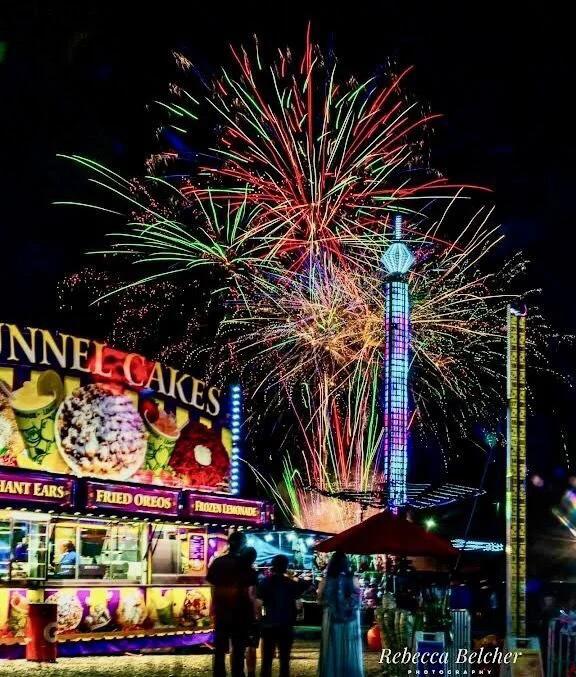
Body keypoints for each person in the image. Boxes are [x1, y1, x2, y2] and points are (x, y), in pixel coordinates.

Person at [207, 531, 258, 677]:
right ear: (243, 545)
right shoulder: (245, 565)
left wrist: (213, 605)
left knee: (219, 649)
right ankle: (238, 673)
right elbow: (251, 593)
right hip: (240, 612)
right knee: (238, 648)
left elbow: (212, 585)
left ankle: (219, 674)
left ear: (229, 544)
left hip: (222, 611)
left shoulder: (218, 562)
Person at [257, 554, 310, 677]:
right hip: (286, 624)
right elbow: (301, 596)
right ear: (286, 567)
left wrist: (260, 619)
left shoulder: (265, 582)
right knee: (285, 660)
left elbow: (258, 603)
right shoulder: (291, 583)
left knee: (267, 660)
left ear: (272, 566)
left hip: (269, 624)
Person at [317, 551, 364, 677]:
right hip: (351, 621)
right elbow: (358, 602)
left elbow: (319, 600)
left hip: (331, 619)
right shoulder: (353, 579)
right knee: (349, 647)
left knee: (332, 648)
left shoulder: (325, 581)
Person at [242, 547, 260, 677]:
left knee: (236, 646)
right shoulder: (251, 573)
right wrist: (257, 614)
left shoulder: (234, 571)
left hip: (234, 613)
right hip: (248, 613)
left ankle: (237, 672)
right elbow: (252, 594)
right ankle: (251, 673)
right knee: (251, 646)